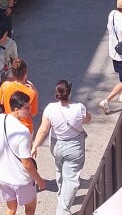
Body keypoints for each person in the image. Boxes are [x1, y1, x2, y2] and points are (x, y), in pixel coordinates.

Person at [31, 80, 88, 215]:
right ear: (69, 92)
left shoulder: (50, 108)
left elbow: (43, 130)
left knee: (60, 170)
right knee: (72, 178)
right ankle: (63, 210)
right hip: (74, 146)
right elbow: (87, 119)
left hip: (56, 146)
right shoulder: (79, 108)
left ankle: (62, 196)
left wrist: (34, 146)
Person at [0, 90, 45, 215]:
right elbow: (26, 162)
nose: (29, 111)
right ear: (15, 109)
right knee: (30, 209)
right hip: (21, 180)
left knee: (10, 209)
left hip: (4, 178)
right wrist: (39, 180)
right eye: (26, 108)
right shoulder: (23, 131)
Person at [0, 56, 40, 127]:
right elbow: (33, 113)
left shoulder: (5, 85)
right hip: (25, 127)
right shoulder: (31, 92)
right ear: (25, 74)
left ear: (13, 74)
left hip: (9, 124)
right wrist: (36, 92)